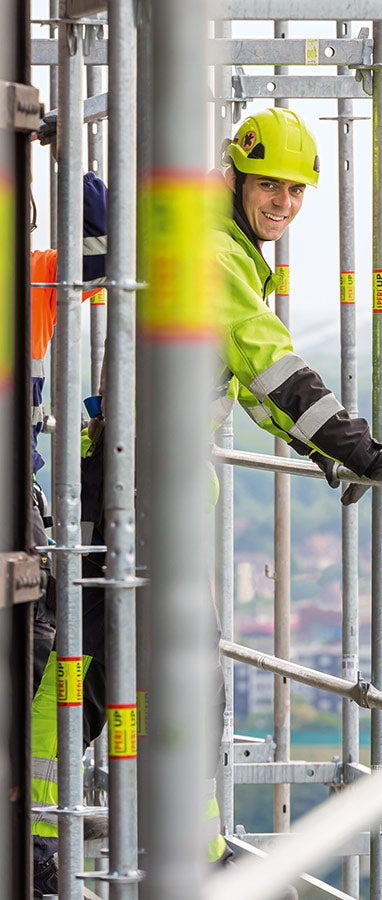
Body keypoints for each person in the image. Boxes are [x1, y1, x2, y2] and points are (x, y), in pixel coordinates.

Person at [214, 106, 382, 503]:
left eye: (296, 190)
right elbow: (274, 372)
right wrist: (365, 453)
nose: (283, 203)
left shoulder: (219, 242)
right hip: (144, 474)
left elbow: (251, 389)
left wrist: (322, 448)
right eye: (268, 185)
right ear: (234, 179)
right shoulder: (214, 253)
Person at [30, 169, 108, 899]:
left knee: (40, 653)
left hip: (13, 501)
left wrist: (79, 169)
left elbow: (107, 249)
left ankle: (26, 836)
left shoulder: (34, 284)